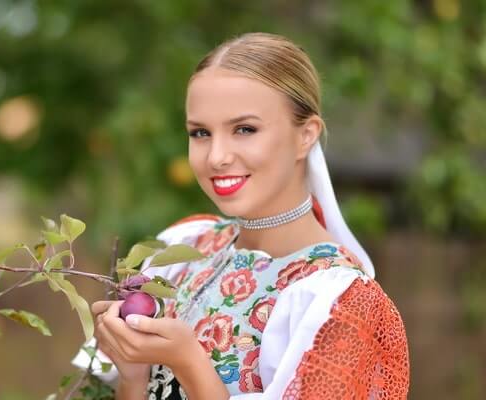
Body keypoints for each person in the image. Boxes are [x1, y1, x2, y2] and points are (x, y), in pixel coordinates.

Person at [71, 32, 410, 399]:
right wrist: (133, 373)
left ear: (306, 135)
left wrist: (188, 361)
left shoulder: (337, 303)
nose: (216, 156)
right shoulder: (183, 250)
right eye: (200, 132)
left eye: (244, 129)